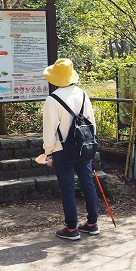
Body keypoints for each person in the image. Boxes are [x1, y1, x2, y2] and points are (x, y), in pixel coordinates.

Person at [42, 58, 99, 240]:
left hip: (62, 149)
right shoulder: (83, 94)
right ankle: (92, 223)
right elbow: (92, 123)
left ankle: (72, 228)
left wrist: (48, 152)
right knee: (87, 183)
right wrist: (91, 145)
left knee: (67, 187)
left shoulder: (53, 99)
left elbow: (49, 128)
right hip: (83, 147)